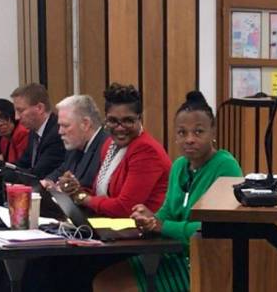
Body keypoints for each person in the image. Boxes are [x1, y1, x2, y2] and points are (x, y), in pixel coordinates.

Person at [92, 91, 242, 292]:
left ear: (213, 133)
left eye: (198, 132)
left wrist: (161, 225)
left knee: (113, 286)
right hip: (173, 254)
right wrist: (148, 218)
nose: (189, 139)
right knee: (101, 278)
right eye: (182, 132)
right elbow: (167, 213)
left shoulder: (225, 167)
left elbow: (212, 230)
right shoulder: (180, 165)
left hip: (205, 263)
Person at [62, 83, 171, 217]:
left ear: (140, 119)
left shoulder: (146, 150)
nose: (120, 128)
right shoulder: (109, 144)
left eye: (128, 121)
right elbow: (101, 195)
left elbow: (125, 208)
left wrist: (83, 198)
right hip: (112, 228)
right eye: (113, 121)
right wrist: (75, 190)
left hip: (144, 233)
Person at [40, 95, 109, 192]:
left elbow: (92, 189)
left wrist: (63, 190)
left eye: (65, 126)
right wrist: (48, 181)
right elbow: (62, 170)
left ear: (85, 124)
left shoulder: (107, 148)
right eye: (60, 126)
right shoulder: (76, 144)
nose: (60, 131)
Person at [11, 83, 66, 178]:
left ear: (40, 108)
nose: (16, 117)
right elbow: (22, 164)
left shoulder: (57, 133)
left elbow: (38, 174)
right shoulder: (34, 132)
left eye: (20, 110)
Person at [0, 98, 29, 164]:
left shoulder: (22, 133)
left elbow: (22, 166)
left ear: (12, 115)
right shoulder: (4, 139)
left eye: (3, 117)